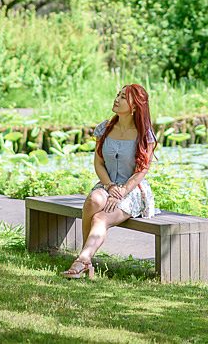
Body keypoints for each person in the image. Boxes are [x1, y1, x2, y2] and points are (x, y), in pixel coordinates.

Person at [61, 83, 157, 279]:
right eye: (117, 95)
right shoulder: (104, 128)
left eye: (123, 97)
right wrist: (110, 186)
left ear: (135, 106)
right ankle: (85, 258)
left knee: (100, 218)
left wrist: (122, 192)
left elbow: (142, 170)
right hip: (108, 184)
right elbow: (98, 163)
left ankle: (82, 260)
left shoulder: (145, 134)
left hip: (133, 190)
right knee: (93, 201)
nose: (117, 99)